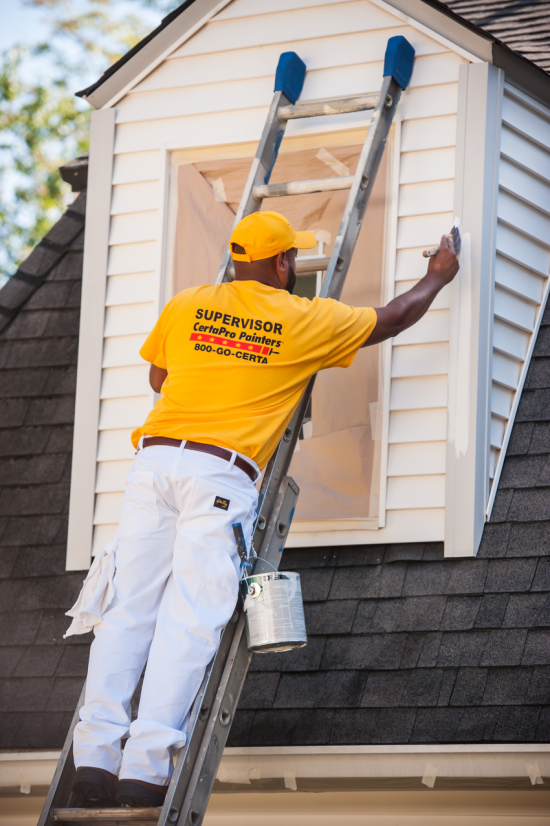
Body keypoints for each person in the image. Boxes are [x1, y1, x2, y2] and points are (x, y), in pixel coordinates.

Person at [67, 210, 459, 808]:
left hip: (154, 463)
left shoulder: (187, 303)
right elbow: (392, 319)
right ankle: (144, 769)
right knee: (190, 619)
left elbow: (158, 375)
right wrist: (438, 275)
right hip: (219, 473)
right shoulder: (302, 319)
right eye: (292, 259)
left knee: (127, 611)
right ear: (281, 264)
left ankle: (94, 759)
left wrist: (219, 364)